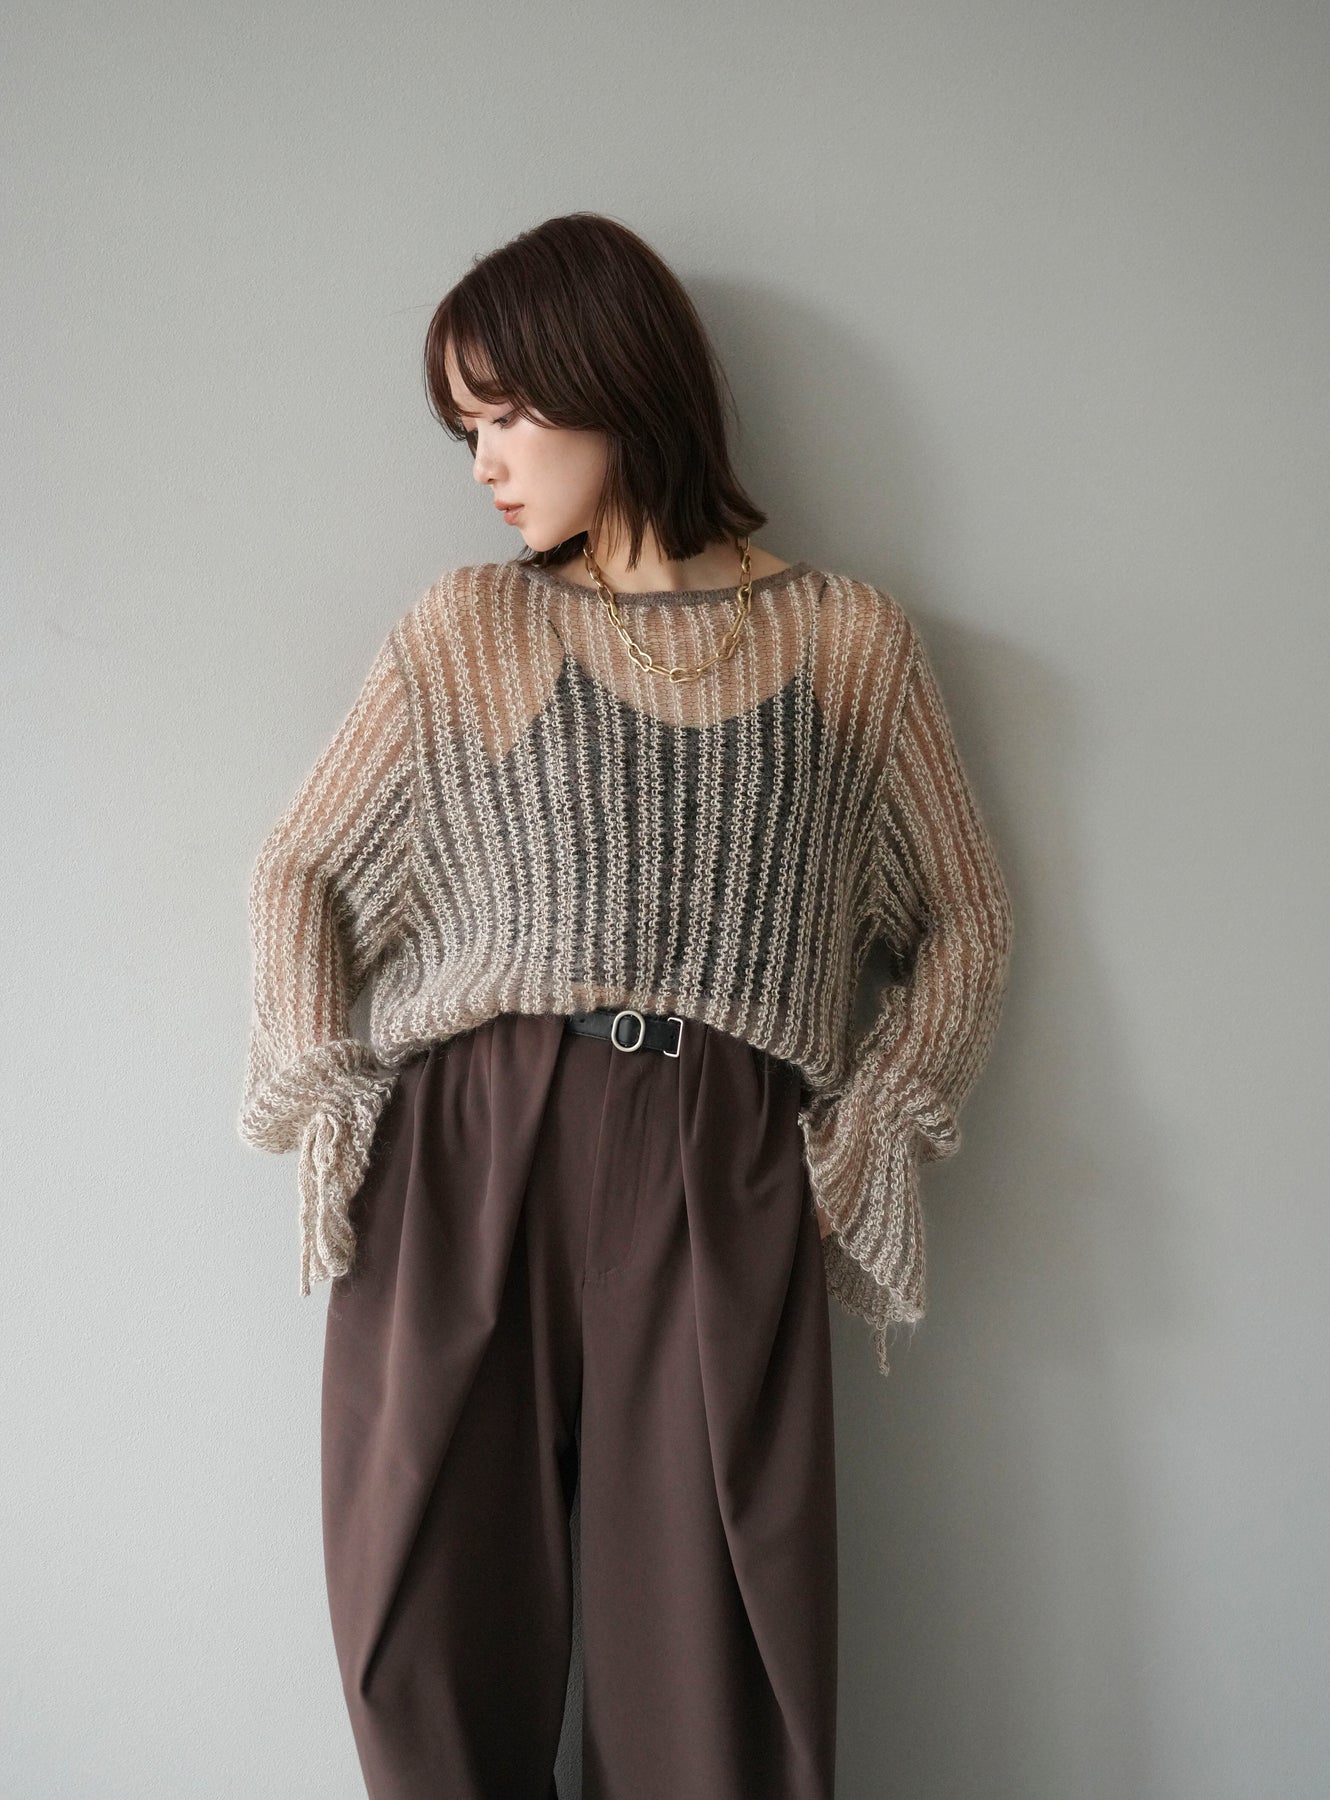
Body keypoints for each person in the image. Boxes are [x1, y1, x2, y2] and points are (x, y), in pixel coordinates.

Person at [236, 210, 1014, 1799]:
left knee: (713, 1656)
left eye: (507, 413)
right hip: (466, 1154)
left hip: (718, 1162)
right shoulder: (472, 629)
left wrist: (874, 1126)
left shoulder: (848, 643)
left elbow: (966, 920)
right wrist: (325, 1088)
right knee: (422, 1627)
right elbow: (300, 869)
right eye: (463, 427)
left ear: (616, 381)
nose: (483, 463)